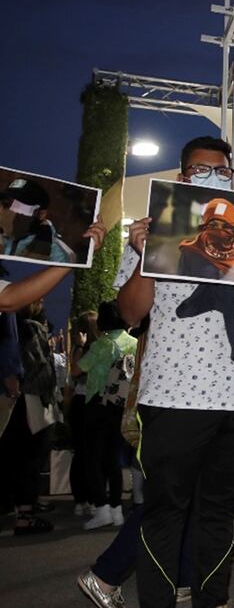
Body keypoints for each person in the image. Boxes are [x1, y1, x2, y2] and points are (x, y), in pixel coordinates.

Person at [117, 135, 234, 607]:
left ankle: (213, 600)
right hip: (171, 395)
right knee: (164, 513)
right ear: (181, 176)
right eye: (200, 170)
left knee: (219, 512)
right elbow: (131, 313)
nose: (212, 177)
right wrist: (147, 255)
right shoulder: (154, 233)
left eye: (222, 171)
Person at [0, 217, 105, 536]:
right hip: (29, 398)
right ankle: (24, 513)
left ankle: (23, 509)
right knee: (27, 455)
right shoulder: (27, 327)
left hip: (28, 397)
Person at [78, 299, 137, 530]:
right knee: (113, 458)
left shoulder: (101, 345)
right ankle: (117, 510)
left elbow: (77, 369)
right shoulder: (133, 342)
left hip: (97, 404)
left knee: (93, 457)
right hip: (120, 405)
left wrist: (81, 346)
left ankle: (102, 509)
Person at [67, 310, 99, 517]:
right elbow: (75, 371)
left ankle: (84, 498)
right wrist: (79, 346)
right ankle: (84, 499)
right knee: (85, 452)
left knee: (85, 453)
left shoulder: (94, 348)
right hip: (86, 401)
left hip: (83, 402)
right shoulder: (87, 350)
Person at [177, 198, 234, 284]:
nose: (219, 231)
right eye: (213, 225)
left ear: (233, 229)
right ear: (205, 226)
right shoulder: (190, 252)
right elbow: (181, 286)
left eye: (225, 226)